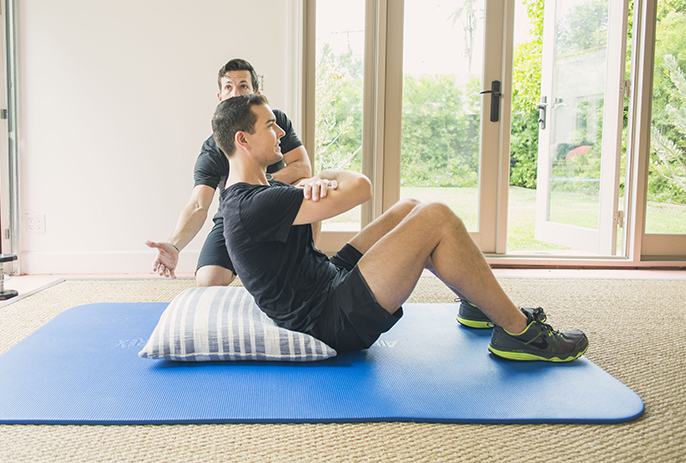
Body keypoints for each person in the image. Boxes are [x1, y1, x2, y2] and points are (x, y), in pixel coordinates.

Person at [212, 94, 589, 362]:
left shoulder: (263, 191)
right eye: (270, 125)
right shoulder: (253, 204)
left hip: (325, 279)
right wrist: (321, 176)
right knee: (436, 216)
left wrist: (310, 188)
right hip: (329, 318)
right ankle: (522, 334)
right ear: (242, 140)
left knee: (411, 208)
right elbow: (361, 187)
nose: (281, 132)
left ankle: (478, 305)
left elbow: (304, 242)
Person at [146, 59, 311, 287]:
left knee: (307, 185)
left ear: (256, 93)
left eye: (243, 86)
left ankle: (305, 265)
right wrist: (174, 245)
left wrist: (260, 189)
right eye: (228, 87)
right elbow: (197, 204)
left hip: (277, 208)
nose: (236, 93)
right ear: (220, 97)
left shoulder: (276, 122)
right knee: (208, 281)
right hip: (236, 217)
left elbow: (303, 168)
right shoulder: (213, 148)